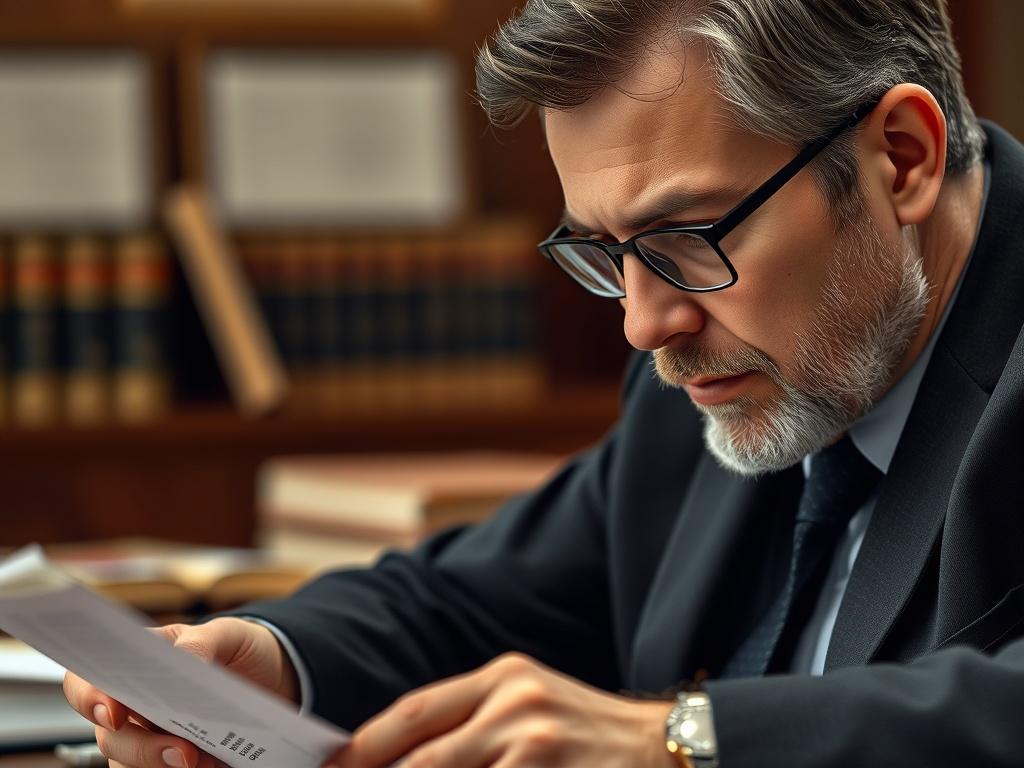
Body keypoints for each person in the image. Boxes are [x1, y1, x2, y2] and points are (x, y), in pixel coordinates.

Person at [64, 1, 1024, 766]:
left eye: (690, 236)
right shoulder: (718, 357)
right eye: (607, 252)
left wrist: (676, 743)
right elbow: (473, 599)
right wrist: (271, 665)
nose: (645, 324)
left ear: (902, 157)